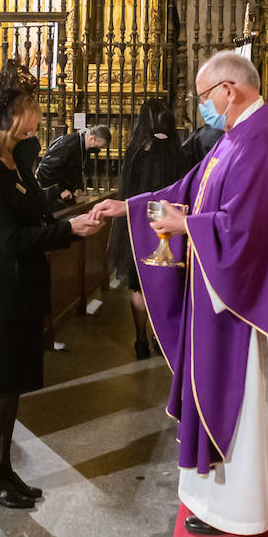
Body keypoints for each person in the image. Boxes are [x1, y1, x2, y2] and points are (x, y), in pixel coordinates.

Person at [88, 50, 268, 537]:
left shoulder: (263, 140)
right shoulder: (238, 137)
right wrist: (131, 208)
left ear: (229, 90)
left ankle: (242, 507)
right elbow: (190, 187)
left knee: (245, 399)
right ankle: (228, 497)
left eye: (204, 97)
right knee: (234, 395)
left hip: (246, 307)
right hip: (223, 294)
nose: (201, 107)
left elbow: (251, 230)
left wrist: (188, 225)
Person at [0, 63, 103, 508]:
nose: (37, 123)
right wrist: (71, 232)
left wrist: (73, 219)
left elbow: (35, 216)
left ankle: (6, 470)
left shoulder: (16, 164)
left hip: (20, 292)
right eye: (31, 114)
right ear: (11, 117)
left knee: (12, 387)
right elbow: (9, 239)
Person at [110, 99, 191, 359]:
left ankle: (141, 340)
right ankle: (160, 337)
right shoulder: (178, 152)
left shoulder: (136, 151)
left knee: (139, 286)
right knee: (167, 282)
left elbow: (127, 190)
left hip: (138, 221)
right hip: (171, 222)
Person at [35, 124, 111, 210]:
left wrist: (78, 187)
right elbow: (45, 169)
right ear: (91, 138)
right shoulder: (68, 145)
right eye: (98, 147)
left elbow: (77, 168)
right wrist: (60, 190)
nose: (98, 151)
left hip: (67, 194)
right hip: (52, 196)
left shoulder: (83, 145)